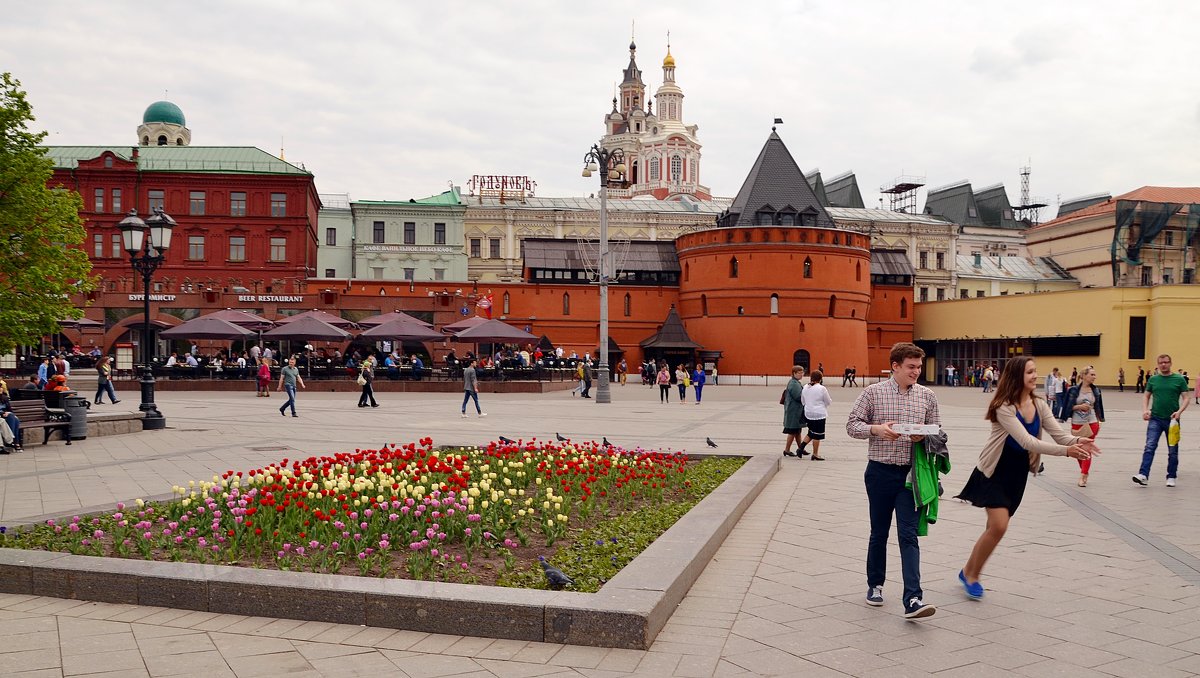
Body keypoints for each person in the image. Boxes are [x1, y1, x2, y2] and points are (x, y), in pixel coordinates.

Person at [955, 357, 1098, 600]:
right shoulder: (1004, 406)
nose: (1035, 376)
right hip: (994, 471)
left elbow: (1059, 435)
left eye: (1035, 371)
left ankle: (968, 570)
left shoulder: (1039, 405)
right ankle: (971, 575)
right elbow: (1027, 441)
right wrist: (1066, 452)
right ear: (1017, 376)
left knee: (994, 528)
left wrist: (1076, 441)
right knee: (999, 526)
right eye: (1030, 372)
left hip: (1017, 473)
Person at [846, 342, 941, 620]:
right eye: (911, 367)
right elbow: (852, 425)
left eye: (919, 367)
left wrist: (924, 436)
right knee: (879, 532)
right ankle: (875, 584)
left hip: (911, 476)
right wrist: (876, 429)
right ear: (895, 366)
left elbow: (939, 434)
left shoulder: (927, 396)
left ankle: (913, 598)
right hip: (879, 472)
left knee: (908, 535)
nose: (916, 372)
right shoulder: (872, 393)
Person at [1133, 353, 1190, 487]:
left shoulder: (1179, 379)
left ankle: (1171, 476)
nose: (1163, 365)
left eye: (1166, 362)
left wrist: (1179, 412)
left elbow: (1186, 398)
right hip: (1155, 418)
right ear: (1158, 365)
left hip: (1172, 420)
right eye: (1161, 363)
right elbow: (1146, 396)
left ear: (1170, 363)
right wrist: (1145, 410)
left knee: (1172, 449)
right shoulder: (1153, 380)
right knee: (1150, 446)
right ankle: (1143, 475)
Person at [1064, 366, 1104, 487]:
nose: (1094, 377)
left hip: (1092, 422)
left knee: (1086, 448)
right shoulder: (1073, 390)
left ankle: (1083, 475)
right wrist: (1078, 407)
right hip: (1077, 423)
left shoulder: (1096, 391)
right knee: (1078, 449)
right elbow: (1067, 407)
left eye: (1094, 374)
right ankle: (1085, 470)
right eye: (1092, 374)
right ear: (1084, 376)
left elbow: (1098, 407)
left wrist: (1099, 421)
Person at [798, 371, 833, 460]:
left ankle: (801, 448)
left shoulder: (805, 387)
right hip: (819, 413)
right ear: (820, 379)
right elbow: (828, 401)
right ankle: (815, 454)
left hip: (808, 413)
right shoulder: (822, 388)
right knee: (817, 434)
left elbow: (803, 401)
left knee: (811, 432)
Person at [782, 366, 808, 458]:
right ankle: (787, 450)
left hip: (795, 410)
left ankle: (800, 448)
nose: (801, 374)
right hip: (794, 411)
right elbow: (798, 396)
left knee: (797, 431)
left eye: (802, 372)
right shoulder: (794, 383)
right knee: (793, 431)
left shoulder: (795, 382)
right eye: (799, 373)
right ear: (794, 373)